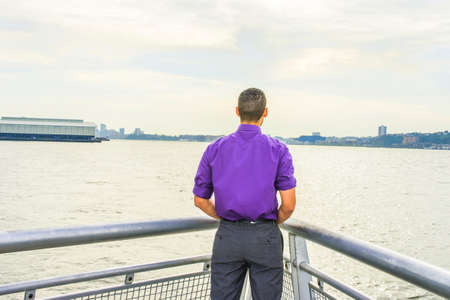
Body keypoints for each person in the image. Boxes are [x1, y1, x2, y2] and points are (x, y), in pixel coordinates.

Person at [193, 88, 297, 300]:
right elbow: (288, 205)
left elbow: (200, 200)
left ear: (237, 111)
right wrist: (267, 225)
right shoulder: (278, 149)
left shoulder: (214, 148)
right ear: (265, 112)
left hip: (228, 236)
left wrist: (224, 217)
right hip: (265, 236)